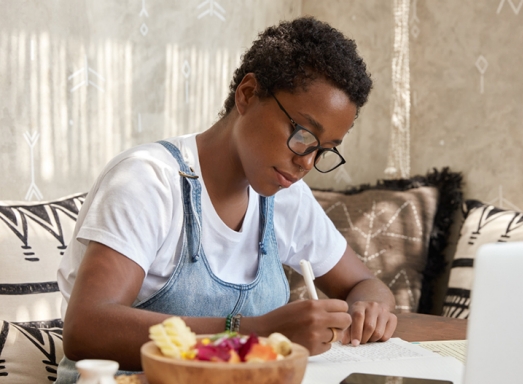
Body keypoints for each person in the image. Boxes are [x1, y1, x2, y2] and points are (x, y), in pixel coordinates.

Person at [56, 16, 397, 382]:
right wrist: (254, 332)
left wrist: (369, 308)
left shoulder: (286, 197)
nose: (306, 162)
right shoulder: (148, 180)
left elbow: (364, 284)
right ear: (247, 94)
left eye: (323, 150)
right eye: (301, 134)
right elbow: (86, 328)